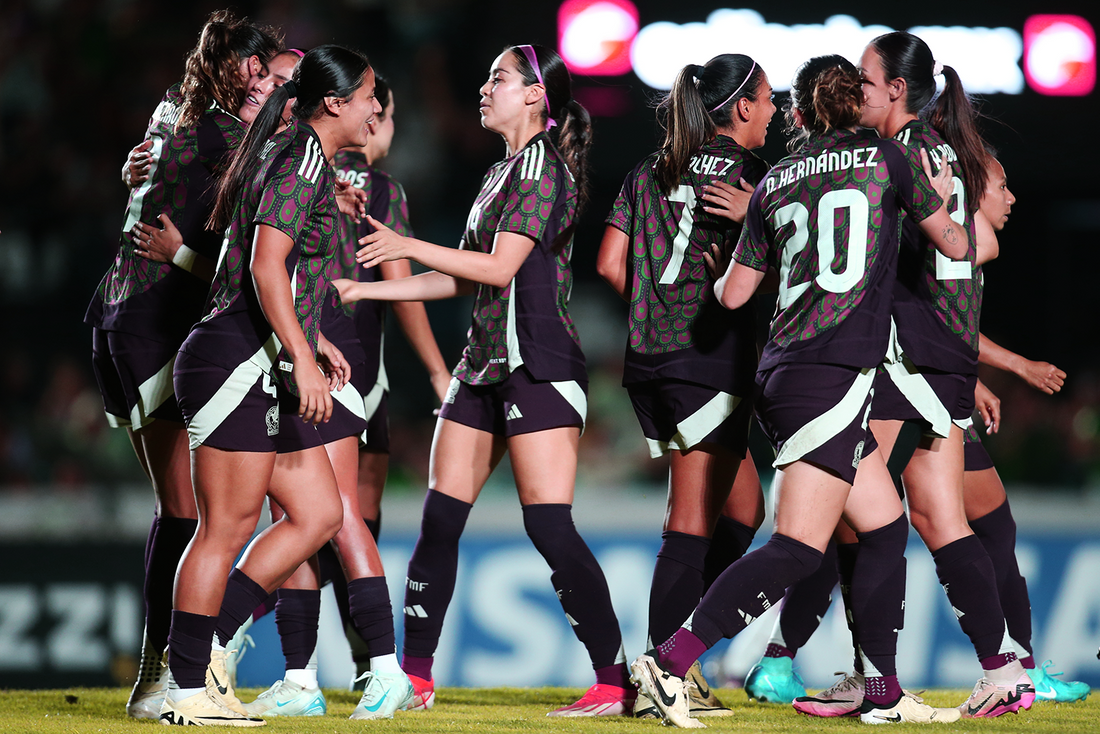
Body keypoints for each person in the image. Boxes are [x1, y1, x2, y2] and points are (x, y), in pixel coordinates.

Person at [630, 54, 968, 728]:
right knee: (796, 548)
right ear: (854, 102)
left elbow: (733, 294)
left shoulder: (775, 180)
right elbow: (954, 244)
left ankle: (882, 693)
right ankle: (665, 664)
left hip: (787, 373)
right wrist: (939, 196)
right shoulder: (888, 160)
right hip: (834, 376)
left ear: (801, 113)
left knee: (882, 528)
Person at [336, 43, 634, 717]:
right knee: (439, 522)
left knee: (549, 527)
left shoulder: (542, 169)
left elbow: (498, 270)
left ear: (534, 96)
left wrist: (406, 245)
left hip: (539, 366)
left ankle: (614, 682)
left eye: (498, 77)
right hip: (481, 368)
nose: (484, 86)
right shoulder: (501, 173)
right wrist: (366, 288)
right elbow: (460, 274)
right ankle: (413, 678)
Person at [744, 153, 1088, 707]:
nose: (1012, 199)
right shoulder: (914, 199)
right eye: (1002, 186)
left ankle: (1012, 665)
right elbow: (923, 302)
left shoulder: (924, 209)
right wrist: (1013, 367)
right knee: (862, 525)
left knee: (982, 520)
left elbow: (943, 314)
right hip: (902, 381)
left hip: (938, 384)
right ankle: (814, 664)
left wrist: (972, 375)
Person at [788, 33, 1035, 721]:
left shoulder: (898, 155)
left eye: (863, 78)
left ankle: (880, 680)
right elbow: (980, 242)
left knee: (855, 512)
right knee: (931, 516)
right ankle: (994, 668)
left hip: (909, 355)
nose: (853, 87)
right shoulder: (941, 150)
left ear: (895, 89)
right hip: (939, 354)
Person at [156, 45, 391, 727]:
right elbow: (263, 268)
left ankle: (206, 652)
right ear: (336, 103)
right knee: (222, 532)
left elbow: (264, 271)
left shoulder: (298, 154)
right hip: (235, 361)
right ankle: (186, 689)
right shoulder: (302, 160)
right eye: (371, 92)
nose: (377, 105)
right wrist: (303, 355)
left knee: (318, 514)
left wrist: (309, 340)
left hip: (258, 356)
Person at [84, 10, 283, 719]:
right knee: (191, 510)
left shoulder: (173, 107)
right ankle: (170, 677)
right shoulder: (230, 137)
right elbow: (237, 263)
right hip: (153, 319)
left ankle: (162, 671)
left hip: (121, 312)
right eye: (257, 73)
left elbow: (150, 183)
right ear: (233, 67)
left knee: (185, 510)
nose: (265, 86)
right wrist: (184, 255)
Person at [595, 52, 774, 719]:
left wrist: (655, 309)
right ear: (744, 107)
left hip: (649, 358)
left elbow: (610, 263)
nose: (777, 111)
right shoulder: (755, 175)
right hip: (707, 358)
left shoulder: (651, 169)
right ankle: (659, 673)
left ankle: (676, 658)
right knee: (690, 522)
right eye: (769, 99)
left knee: (744, 510)